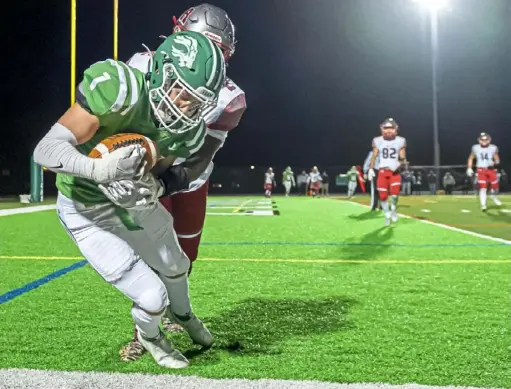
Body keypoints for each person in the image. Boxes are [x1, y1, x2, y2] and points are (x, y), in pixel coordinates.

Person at [33, 32, 226, 369]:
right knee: (152, 297)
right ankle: (151, 336)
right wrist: (97, 169)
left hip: (128, 201)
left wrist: (154, 186)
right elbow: (46, 150)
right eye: (182, 94)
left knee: (177, 263)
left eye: (196, 102)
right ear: (161, 73)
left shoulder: (187, 129)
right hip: (85, 207)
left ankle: (183, 314)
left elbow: (159, 168)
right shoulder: (119, 90)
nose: (186, 108)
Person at [121, 5, 247, 353]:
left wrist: (172, 179)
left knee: (185, 254)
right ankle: (143, 328)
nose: (203, 54)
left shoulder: (228, 98)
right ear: (177, 35)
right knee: (153, 252)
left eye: (216, 49)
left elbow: (204, 153)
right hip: (144, 171)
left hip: (188, 178)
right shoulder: (143, 66)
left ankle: (175, 311)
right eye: (196, 41)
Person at [367, 118, 407, 226]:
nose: (388, 131)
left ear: (395, 129)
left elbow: (402, 157)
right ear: (382, 129)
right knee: (383, 196)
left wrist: (402, 165)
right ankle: (387, 214)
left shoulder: (400, 140)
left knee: (395, 195)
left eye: (391, 128)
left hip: (394, 172)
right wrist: (370, 168)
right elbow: (374, 156)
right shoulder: (377, 140)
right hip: (382, 171)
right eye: (386, 128)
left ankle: (393, 210)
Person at [466, 132, 502, 211]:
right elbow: (471, 158)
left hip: (491, 169)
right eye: (482, 140)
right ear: (479, 140)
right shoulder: (475, 147)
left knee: (495, 187)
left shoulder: (493, 147)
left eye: (486, 140)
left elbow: (497, 159)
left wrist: (495, 162)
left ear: (489, 140)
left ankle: (493, 196)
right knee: (483, 188)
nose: (484, 141)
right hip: (481, 170)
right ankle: (483, 204)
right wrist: (469, 168)